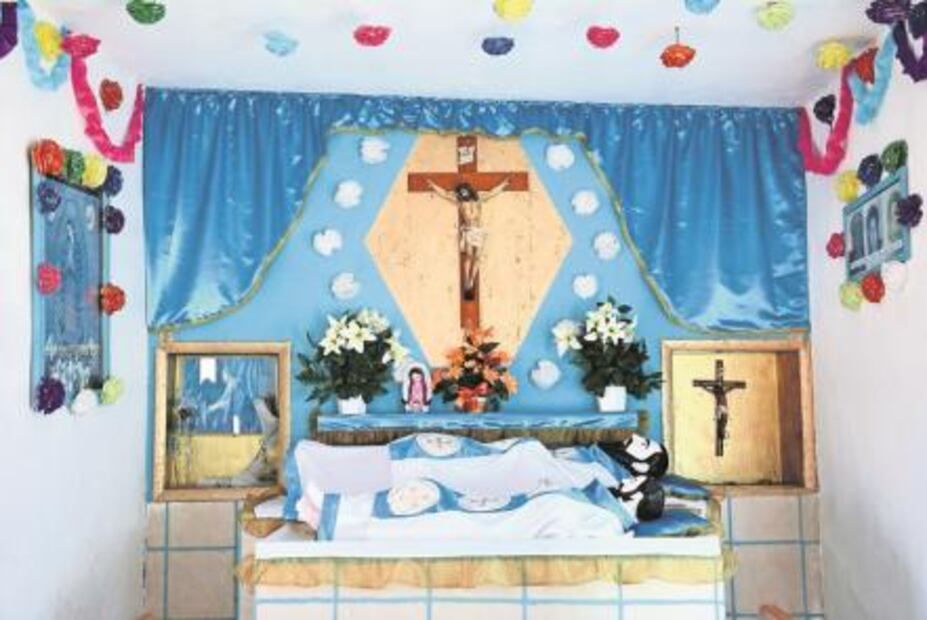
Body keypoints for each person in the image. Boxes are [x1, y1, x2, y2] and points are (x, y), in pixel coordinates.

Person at [286, 432, 668, 524]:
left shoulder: (604, 474)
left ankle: (330, 494)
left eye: (644, 446)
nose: (635, 439)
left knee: (423, 471)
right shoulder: (600, 458)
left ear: (643, 469)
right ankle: (319, 470)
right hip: (499, 456)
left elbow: (555, 478)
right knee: (416, 449)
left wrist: (528, 455)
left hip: (506, 472)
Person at [426, 178, 510, 299]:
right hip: (469, 231)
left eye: (464, 191)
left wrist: (503, 185)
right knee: (469, 256)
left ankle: (471, 280)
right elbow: (445, 194)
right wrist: (433, 185)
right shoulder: (460, 202)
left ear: (469, 190)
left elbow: (492, 193)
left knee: (477, 257)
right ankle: (467, 280)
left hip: (479, 231)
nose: (463, 193)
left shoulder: (479, 198)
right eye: (461, 192)